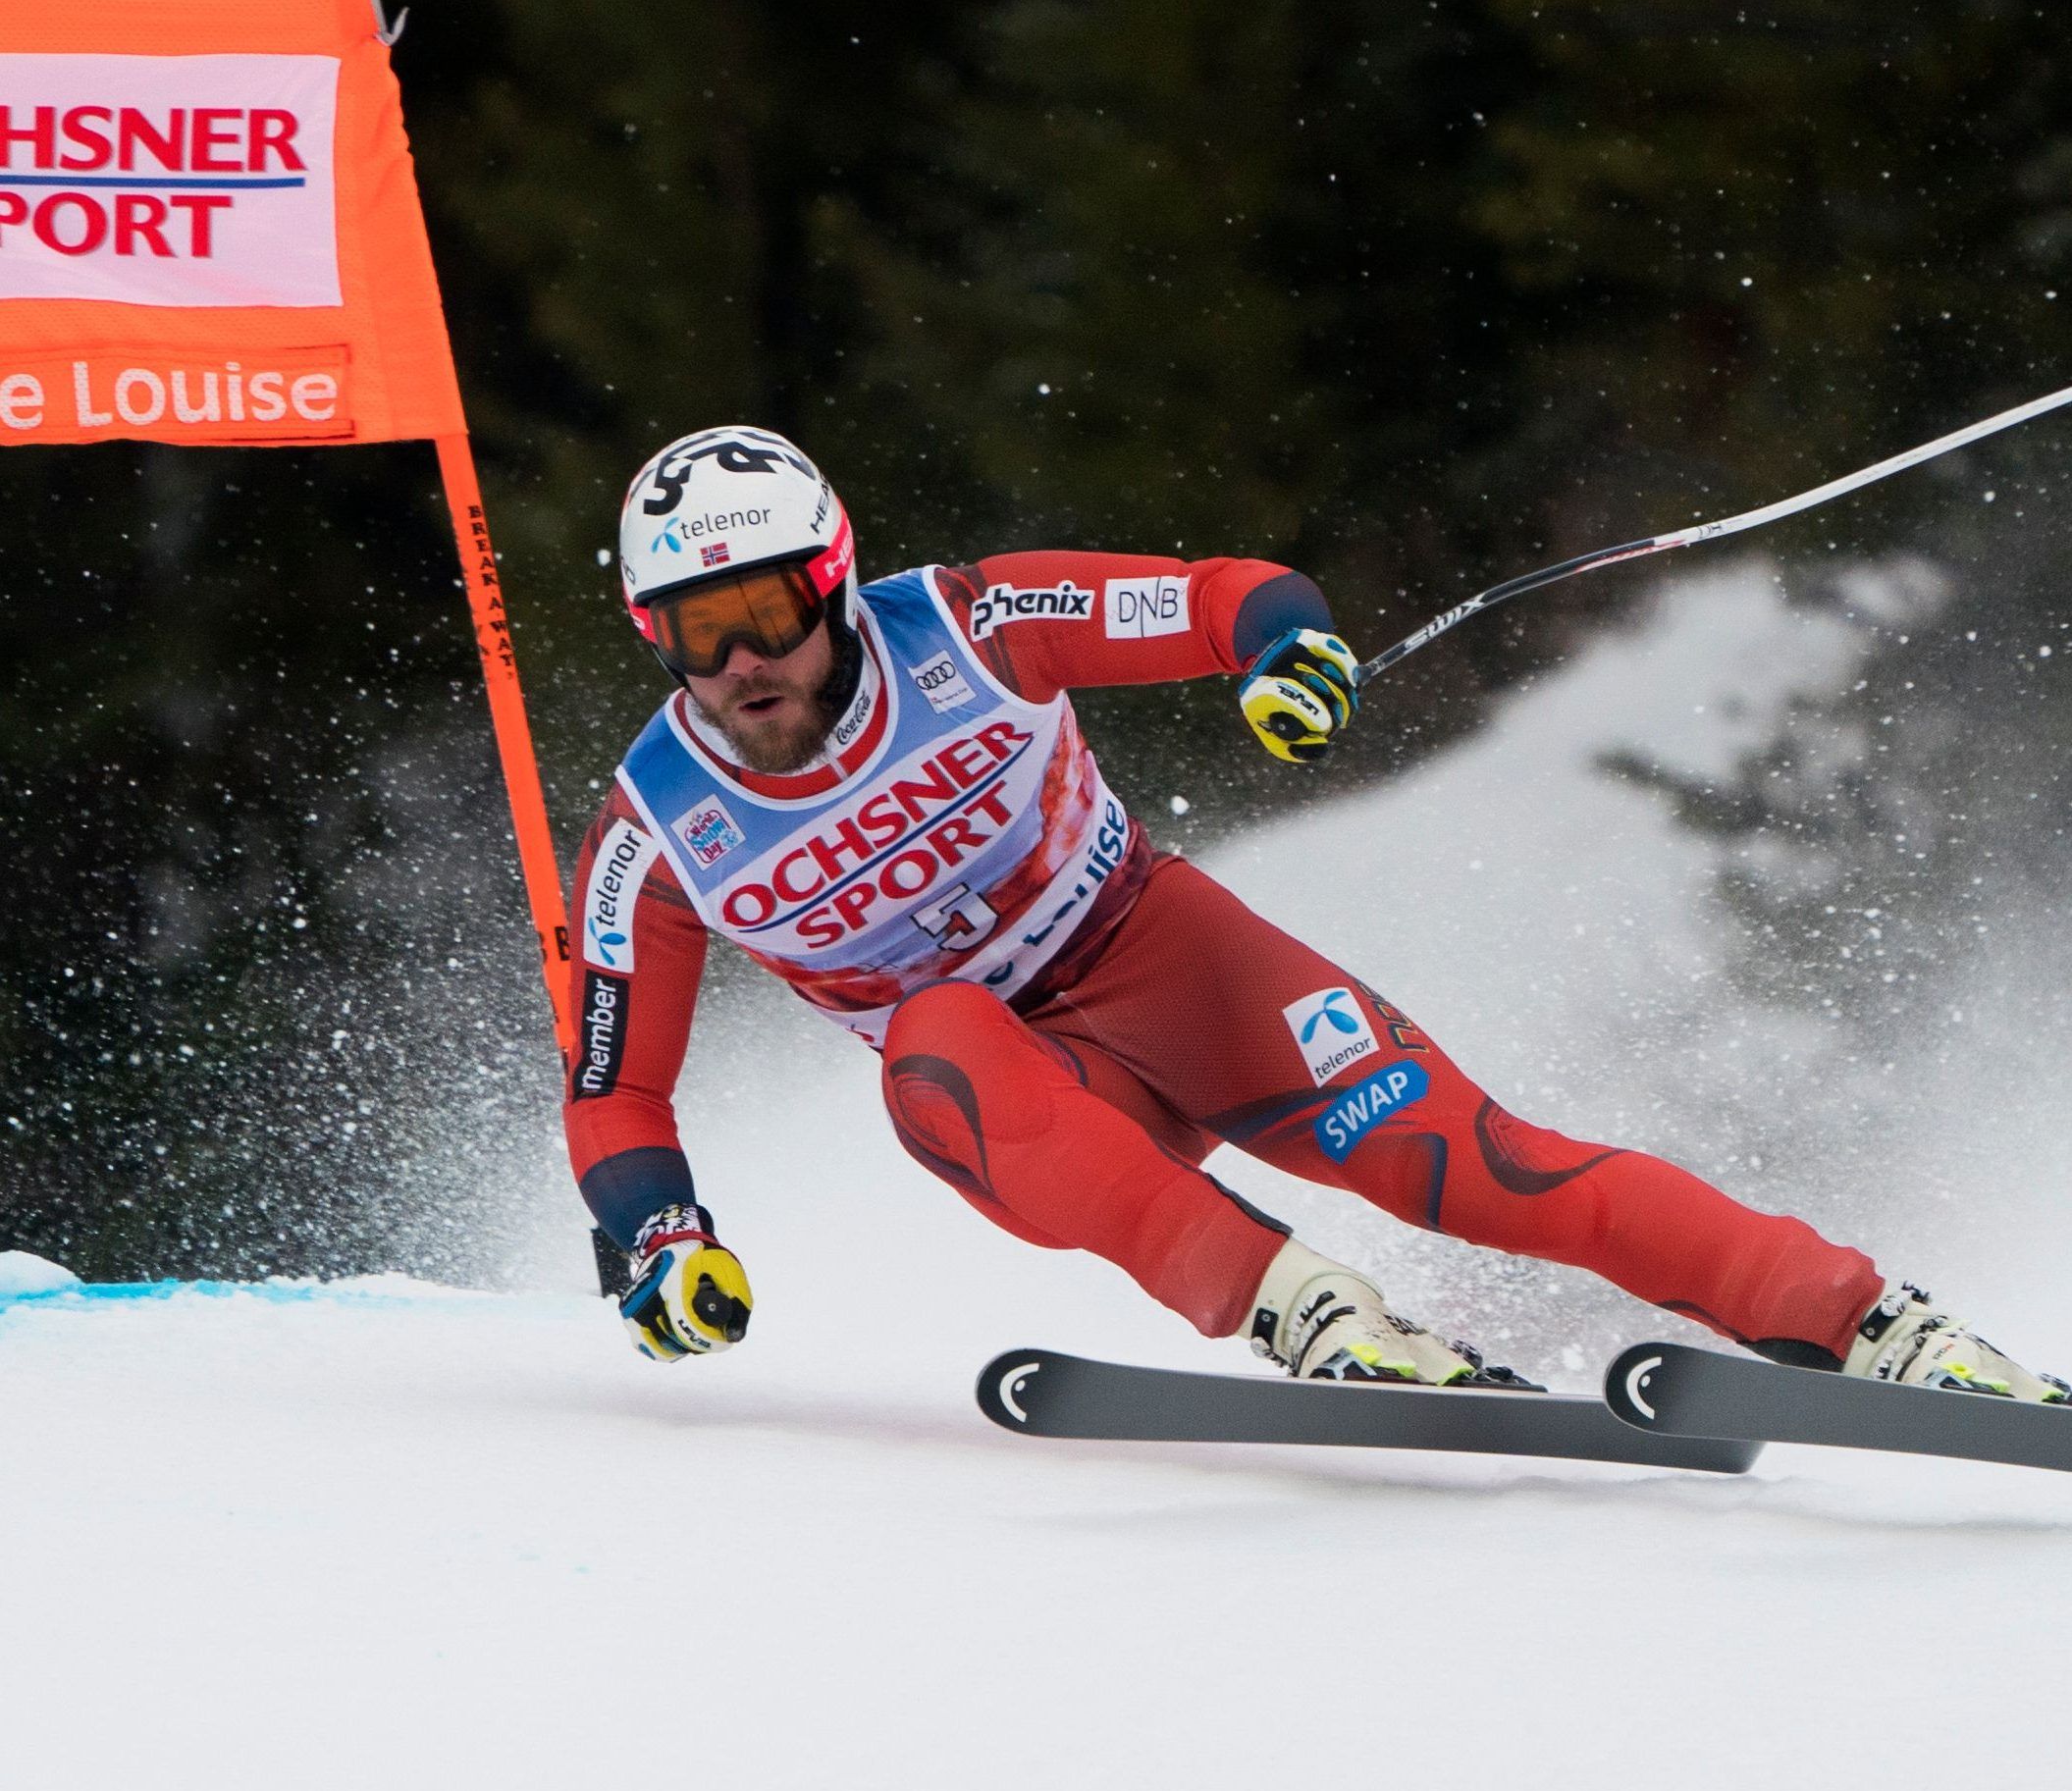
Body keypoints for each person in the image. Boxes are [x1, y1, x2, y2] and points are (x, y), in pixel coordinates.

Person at [562, 425, 2066, 1401]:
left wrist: (1291, 654)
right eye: (694, 631)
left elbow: (1225, 597)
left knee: (1481, 1164)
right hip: (1024, 1104)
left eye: (764, 613)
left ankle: (1881, 1328)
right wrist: (654, 1234)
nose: (740, 661)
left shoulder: (971, 624)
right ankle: (1312, 1312)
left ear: (828, 585)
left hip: (1164, 960)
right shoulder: (656, 834)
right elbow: (614, 1087)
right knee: (939, 1035)